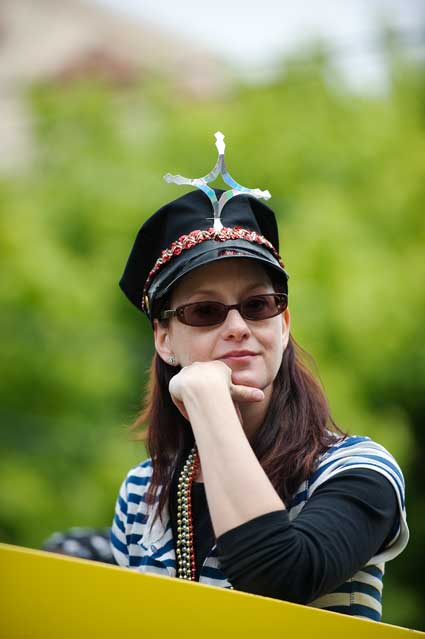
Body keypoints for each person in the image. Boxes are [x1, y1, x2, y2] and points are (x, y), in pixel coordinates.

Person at [111, 132, 409, 621]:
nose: (237, 328)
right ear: (164, 339)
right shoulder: (143, 492)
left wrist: (209, 403)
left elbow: (279, 577)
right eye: (205, 312)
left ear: (283, 325)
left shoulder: (359, 468)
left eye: (259, 305)